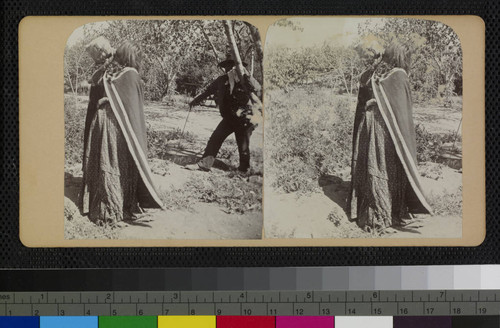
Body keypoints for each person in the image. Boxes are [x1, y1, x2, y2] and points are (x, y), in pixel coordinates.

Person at [347, 40, 432, 233]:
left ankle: (392, 212)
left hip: (386, 131)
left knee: (386, 169)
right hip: (376, 129)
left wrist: (374, 100)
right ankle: (380, 216)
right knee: (379, 168)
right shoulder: (378, 74)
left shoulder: (395, 76)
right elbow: (370, 92)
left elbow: (398, 107)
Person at [80, 40, 162, 225]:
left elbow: (117, 98)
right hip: (111, 126)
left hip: (109, 124)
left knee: (112, 163)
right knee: (113, 163)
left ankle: (113, 205)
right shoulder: (122, 73)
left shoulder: (119, 73)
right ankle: (113, 206)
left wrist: (104, 98)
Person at [186, 53, 262, 174]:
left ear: (238, 67)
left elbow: (258, 91)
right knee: (216, 138)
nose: (229, 68)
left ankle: (243, 170)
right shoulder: (221, 80)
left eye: (232, 65)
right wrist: (195, 101)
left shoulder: (246, 79)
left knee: (242, 144)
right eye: (227, 66)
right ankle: (204, 165)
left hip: (245, 117)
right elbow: (208, 91)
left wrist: (247, 79)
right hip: (229, 117)